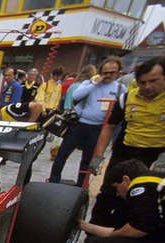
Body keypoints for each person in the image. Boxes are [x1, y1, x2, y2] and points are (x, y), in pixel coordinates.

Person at [89, 56, 165, 224]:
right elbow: (109, 127)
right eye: (142, 82)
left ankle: (123, 234)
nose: (147, 87)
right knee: (108, 194)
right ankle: (94, 233)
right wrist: (99, 155)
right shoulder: (127, 98)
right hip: (126, 151)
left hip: (157, 153)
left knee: (140, 196)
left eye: (153, 81)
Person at [48, 59, 123, 187]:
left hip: (98, 128)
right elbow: (76, 96)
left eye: (112, 72)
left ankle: (82, 185)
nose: (108, 75)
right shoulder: (89, 83)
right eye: (105, 72)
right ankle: (53, 181)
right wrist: (94, 83)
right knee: (62, 154)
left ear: (118, 73)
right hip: (79, 124)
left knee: (88, 159)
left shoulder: (120, 88)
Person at [0, 100, 43, 192]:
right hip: (13, 142)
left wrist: (28, 125)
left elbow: (37, 105)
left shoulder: (11, 110)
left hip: (32, 139)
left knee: (26, 162)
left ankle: (23, 191)